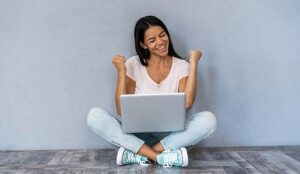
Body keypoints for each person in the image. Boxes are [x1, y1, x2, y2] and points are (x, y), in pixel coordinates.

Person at [87, 16, 217, 167]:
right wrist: (122, 72)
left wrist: (194, 63)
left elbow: (187, 103)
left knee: (208, 120)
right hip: (136, 135)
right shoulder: (132, 64)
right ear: (143, 44)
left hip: (169, 137)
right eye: (152, 40)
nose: (160, 42)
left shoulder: (182, 66)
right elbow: (121, 110)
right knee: (94, 116)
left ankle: (140, 155)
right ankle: (161, 157)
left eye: (162, 35)